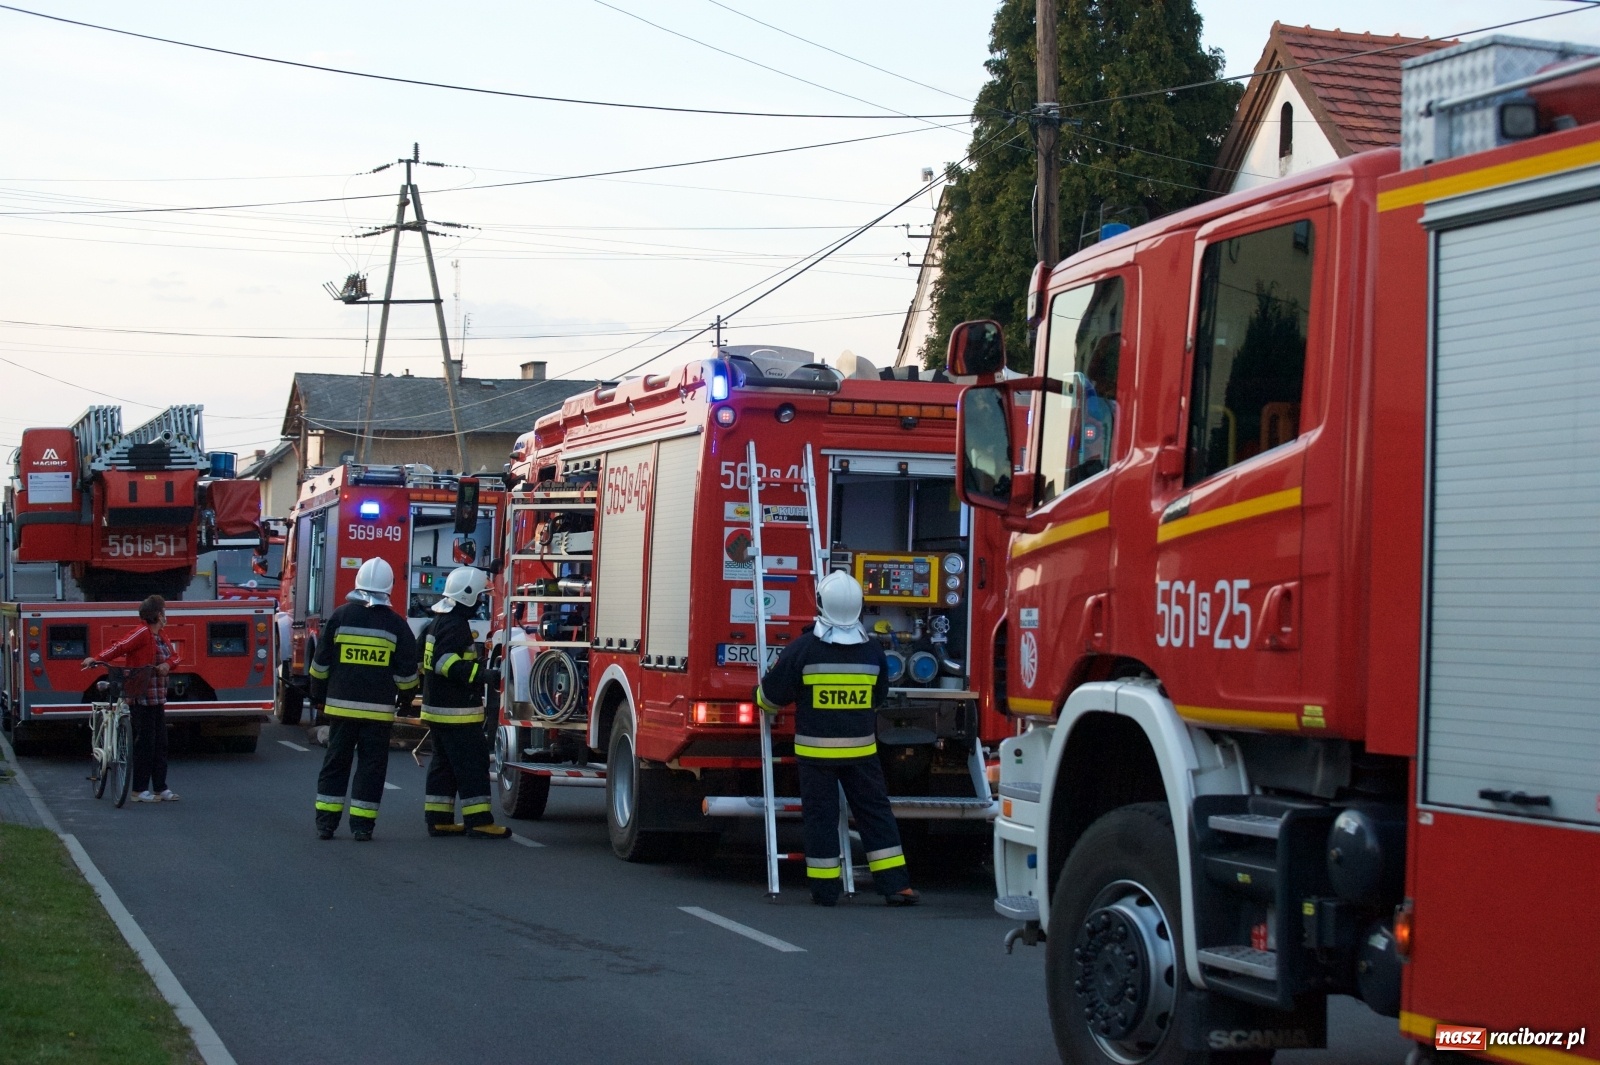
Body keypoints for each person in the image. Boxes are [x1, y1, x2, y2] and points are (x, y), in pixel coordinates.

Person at [756, 572, 919, 907]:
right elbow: (879, 696)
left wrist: (759, 695)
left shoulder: (803, 649)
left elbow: (770, 697)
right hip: (861, 751)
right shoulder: (873, 651)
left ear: (820, 603)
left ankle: (826, 890)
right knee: (875, 814)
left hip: (815, 754)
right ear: (859, 608)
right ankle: (895, 886)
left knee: (821, 818)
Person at [309, 558, 419, 841]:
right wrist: (405, 701)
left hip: (340, 710)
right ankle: (362, 827)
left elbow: (320, 664)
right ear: (389, 587)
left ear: (357, 582)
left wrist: (318, 696)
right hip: (378, 714)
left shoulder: (340, 616)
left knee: (335, 764)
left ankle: (326, 824)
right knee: (371, 768)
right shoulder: (397, 626)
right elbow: (407, 674)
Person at [419, 566, 509, 840]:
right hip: (456, 712)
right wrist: (481, 674)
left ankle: (439, 819)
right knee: (472, 764)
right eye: (480, 596)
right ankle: (479, 821)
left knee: (443, 766)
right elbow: (445, 662)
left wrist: (477, 666)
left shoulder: (438, 621)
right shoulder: (455, 625)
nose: (481, 602)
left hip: (438, 710)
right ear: (467, 595)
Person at [83, 595, 181, 804]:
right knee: (146, 743)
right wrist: (97, 659)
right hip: (141, 696)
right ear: (157, 614)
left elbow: (175, 656)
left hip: (157, 697)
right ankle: (139, 789)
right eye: (164, 611)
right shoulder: (142, 633)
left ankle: (161, 787)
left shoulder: (161, 636)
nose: (166, 616)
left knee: (160, 743)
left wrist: (168, 665)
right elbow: (120, 646)